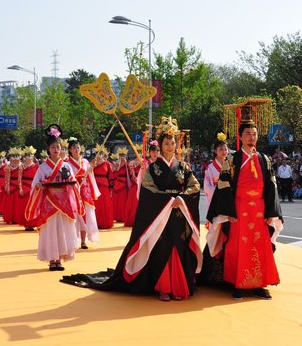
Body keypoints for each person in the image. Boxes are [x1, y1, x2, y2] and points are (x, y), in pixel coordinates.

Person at [62, 116, 202, 302]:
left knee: (178, 247)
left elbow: (195, 186)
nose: (170, 146)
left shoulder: (183, 167)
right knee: (161, 248)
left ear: (176, 145)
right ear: (160, 146)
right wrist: (168, 200)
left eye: (172, 143)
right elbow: (148, 190)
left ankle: (178, 285)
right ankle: (163, 287)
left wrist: (181, 199)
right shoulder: (153, 169)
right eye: (166, 143)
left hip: (177, 212)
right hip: (161, 215)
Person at [203, 120, 283, 300]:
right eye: (248, 134)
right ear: (240, 137)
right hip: (239, 208)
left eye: (254, 134)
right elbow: (223, 186)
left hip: (260, 209)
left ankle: (259, 284)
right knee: (239, 246)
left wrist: (271, 213)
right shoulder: (232, 160)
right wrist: (228, 213)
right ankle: (238, 284)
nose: (251, 137)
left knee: (261, 245)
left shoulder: (264, 159)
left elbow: (271, 186)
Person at [25, 124, 82, 271]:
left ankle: (60, 258)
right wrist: (40, 186)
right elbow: (35, 185)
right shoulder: (43, 168)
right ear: (48, 150)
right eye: (53, 147)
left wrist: (72, 185)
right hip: (49, 203)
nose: (56, 150)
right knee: (51, 231)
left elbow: (74, 183)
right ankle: (52, 259)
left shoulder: (66, 166)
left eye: (58, 147)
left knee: (62, 231)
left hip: (63, 204)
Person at [66, 137, 100, 248]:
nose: (76, 149)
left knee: (85, 215)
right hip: (73, 190)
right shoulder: (66, 163)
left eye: (78, 147)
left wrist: (91, 168)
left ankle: (83, 241)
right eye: (74, 147)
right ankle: (73, 240)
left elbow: (89, 175)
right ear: (70, 150)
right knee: (74, 216)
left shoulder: (85, 161)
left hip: (84, 191)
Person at [204, 132, 229, 209]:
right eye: (221, 149)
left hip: (229, 198)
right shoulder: (210, 168)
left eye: (225, 149)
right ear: (215, 151)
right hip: (216, 198)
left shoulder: (231, 166)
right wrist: (220, 193)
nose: (224, 152)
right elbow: (207, 187)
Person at [92, 145, 115, 229]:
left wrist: (111, 188)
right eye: (97, 153)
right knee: (96, 205)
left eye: (101, 153)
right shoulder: (92, 163)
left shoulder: (107, 164)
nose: (99, 155)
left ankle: (106, 223)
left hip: (104, 187)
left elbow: (111, 177)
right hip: (95, 187)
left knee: (105, 205)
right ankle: (95, 223)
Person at [19, 146, 39, 231]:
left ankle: (33, 223)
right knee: (25, 206)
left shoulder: (37, 166)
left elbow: (39, 178)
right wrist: (20, 188)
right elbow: (19, 178)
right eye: (27, 155)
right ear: (25, 156)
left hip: (34, 187)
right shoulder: (21, 166)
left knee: (34, 206)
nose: (29, 157)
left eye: (31, 155)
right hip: (25, 187)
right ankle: (27, 224)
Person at [111, 147, 130, 222]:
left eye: (123, 156)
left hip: (123, 186)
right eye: (121, 156)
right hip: (116, 186)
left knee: (123, 203)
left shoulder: (127, 165)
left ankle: (122, 217)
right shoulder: (115, 165)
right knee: (115, 203)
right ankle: (115, 216)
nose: (122, 157)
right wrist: (119, 164)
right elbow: (113, 172)